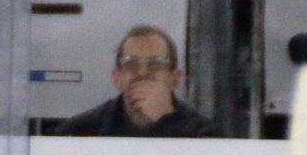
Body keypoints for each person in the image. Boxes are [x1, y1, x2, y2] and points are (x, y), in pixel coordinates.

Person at [53, 25, 219, 137]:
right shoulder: (79, 133)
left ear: (174, 79)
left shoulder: (204, 136)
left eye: (156, 64)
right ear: (116, 78)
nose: (142, 73)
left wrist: (165, 121)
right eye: (131, 64)